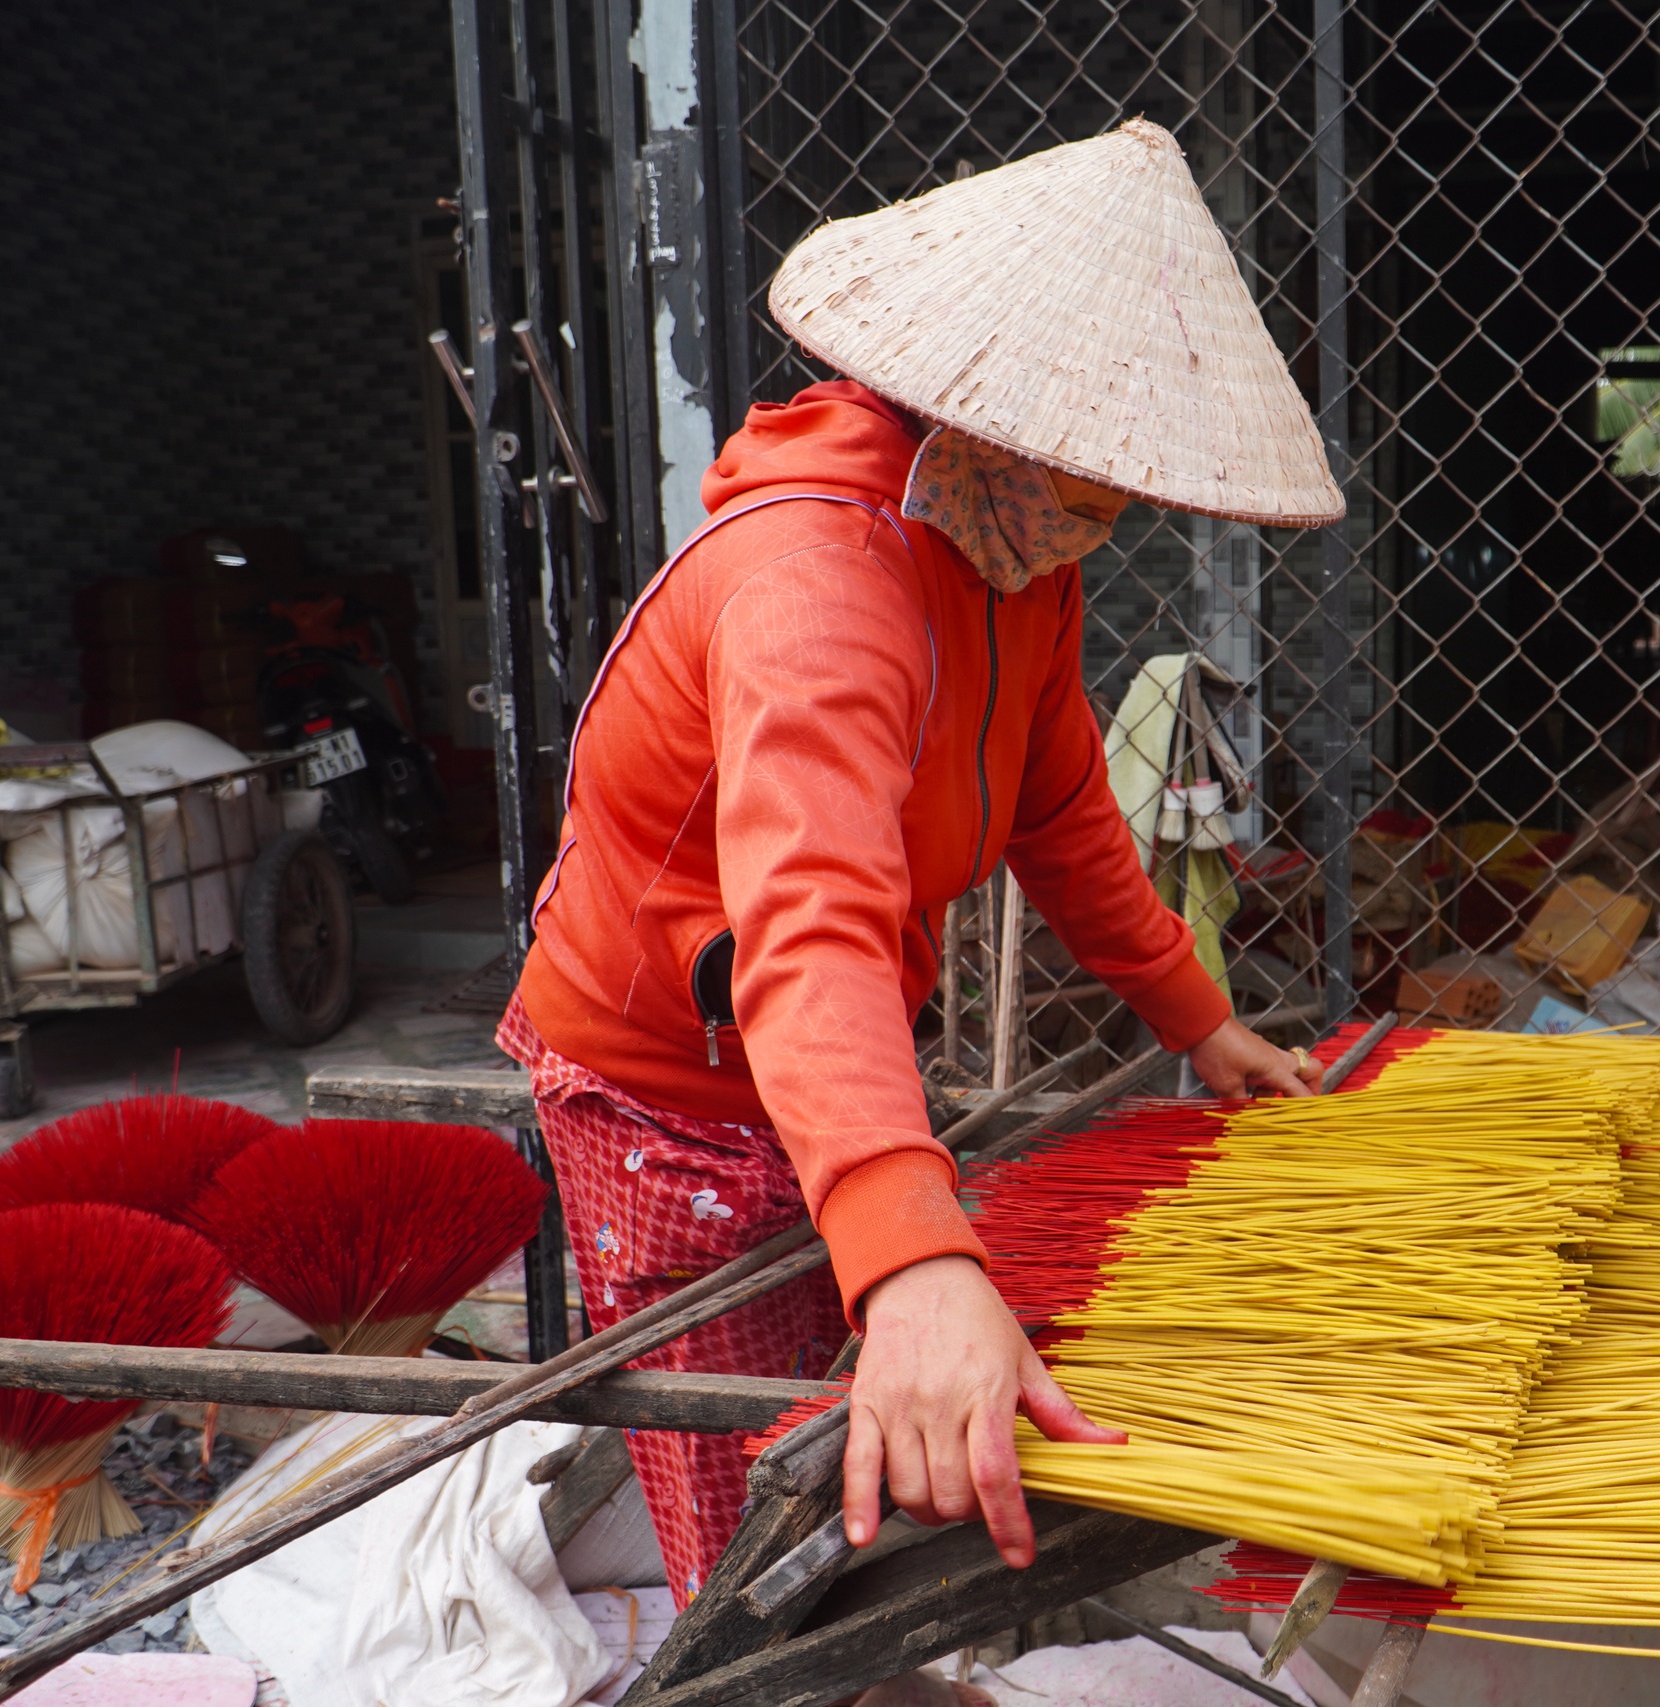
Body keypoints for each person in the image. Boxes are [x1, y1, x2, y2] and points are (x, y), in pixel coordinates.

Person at [499, 117, 1345, 1635]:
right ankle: (757, 1656)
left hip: (814, 1051)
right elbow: (807, 930)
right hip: (671, 1091)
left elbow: (1062, 804)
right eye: (1090, 480)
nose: (1114, 513)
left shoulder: (1019, 561)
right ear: (979, 422)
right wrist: (910, 1257)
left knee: (871, 1394)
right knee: (757, 1463)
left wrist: (1194, 1018)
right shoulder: (818, 588)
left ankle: (868, 1631)